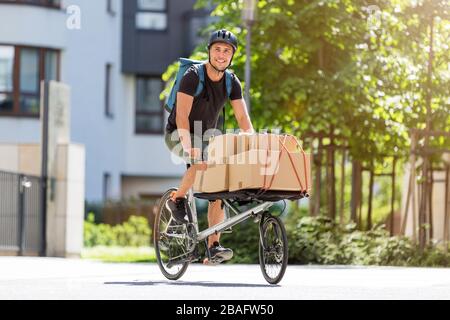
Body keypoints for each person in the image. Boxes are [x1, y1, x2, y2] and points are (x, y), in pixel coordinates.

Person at [164, 29, 254, 264]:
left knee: (218, 192)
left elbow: (243, 119)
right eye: (217, 50)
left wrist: (253, 141)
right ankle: (177, 199)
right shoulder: (193, 76)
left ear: (232, 55)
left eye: (227, 51)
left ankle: (213, 245)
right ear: (209, 52)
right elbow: (182, 116)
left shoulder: (231, 82)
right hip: (178, 133)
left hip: (208, 138)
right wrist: (188, 146)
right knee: (201, 162)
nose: (221, 55)